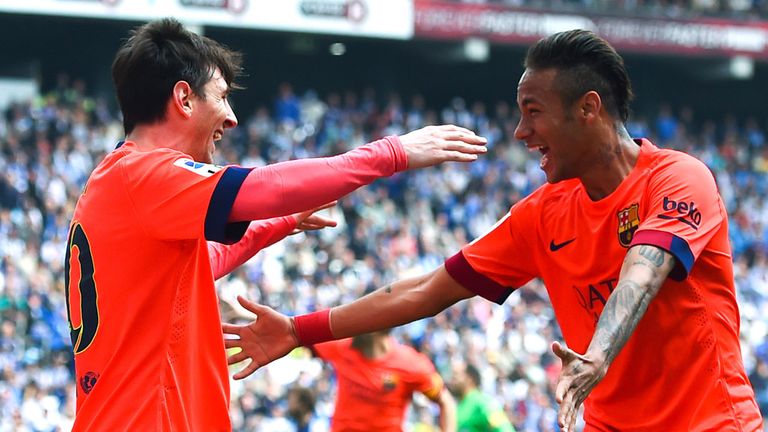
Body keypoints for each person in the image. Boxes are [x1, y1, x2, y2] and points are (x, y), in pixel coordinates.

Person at [223, 29, 765, 431]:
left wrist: (597, 354)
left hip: (713, 423)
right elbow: (426, 290)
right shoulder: (541, 214)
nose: (520, 132)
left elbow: (641, 273)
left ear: (589, 108)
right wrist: (299, 329)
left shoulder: (679, 177)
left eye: (533, 112)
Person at [63, 17, 487, 431]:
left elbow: (193, 268)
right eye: (222, 97)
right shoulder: (146, 174)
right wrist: (391, 153)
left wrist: (280, 222)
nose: (231, 118)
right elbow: (265, 187)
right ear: (184, 98)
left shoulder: (122, 181)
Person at [311, 329, 456, 431]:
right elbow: (300, 337)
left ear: (376, 326)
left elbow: (446, 401)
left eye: (358, 319)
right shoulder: (341, 347)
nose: (352, 324)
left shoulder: (410, 364)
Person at [452, 363, 514, 432]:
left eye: (455, 375)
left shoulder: (482, 402)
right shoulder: (460, 404)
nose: (452, 381)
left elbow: (504, 428)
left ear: (469, 379)